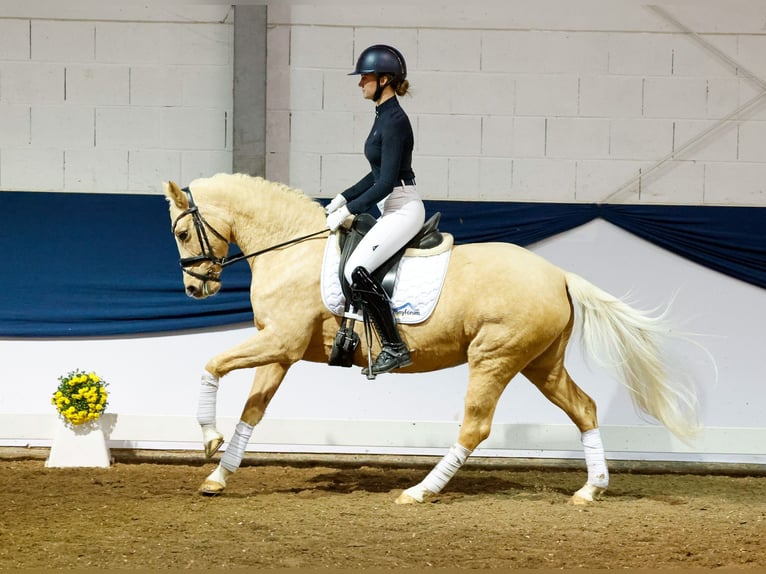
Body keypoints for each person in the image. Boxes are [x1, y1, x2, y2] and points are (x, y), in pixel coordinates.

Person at [325, 44, 425, 376]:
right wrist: (342, 197)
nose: (360, 83)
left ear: (384, 80)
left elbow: (386, 184)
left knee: (357, 268)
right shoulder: (383, 116)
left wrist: (349, 210)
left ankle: (394, 347)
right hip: (391, 206)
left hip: (403, 207)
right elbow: (376, 174)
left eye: (365, 77)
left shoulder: (395, 120)